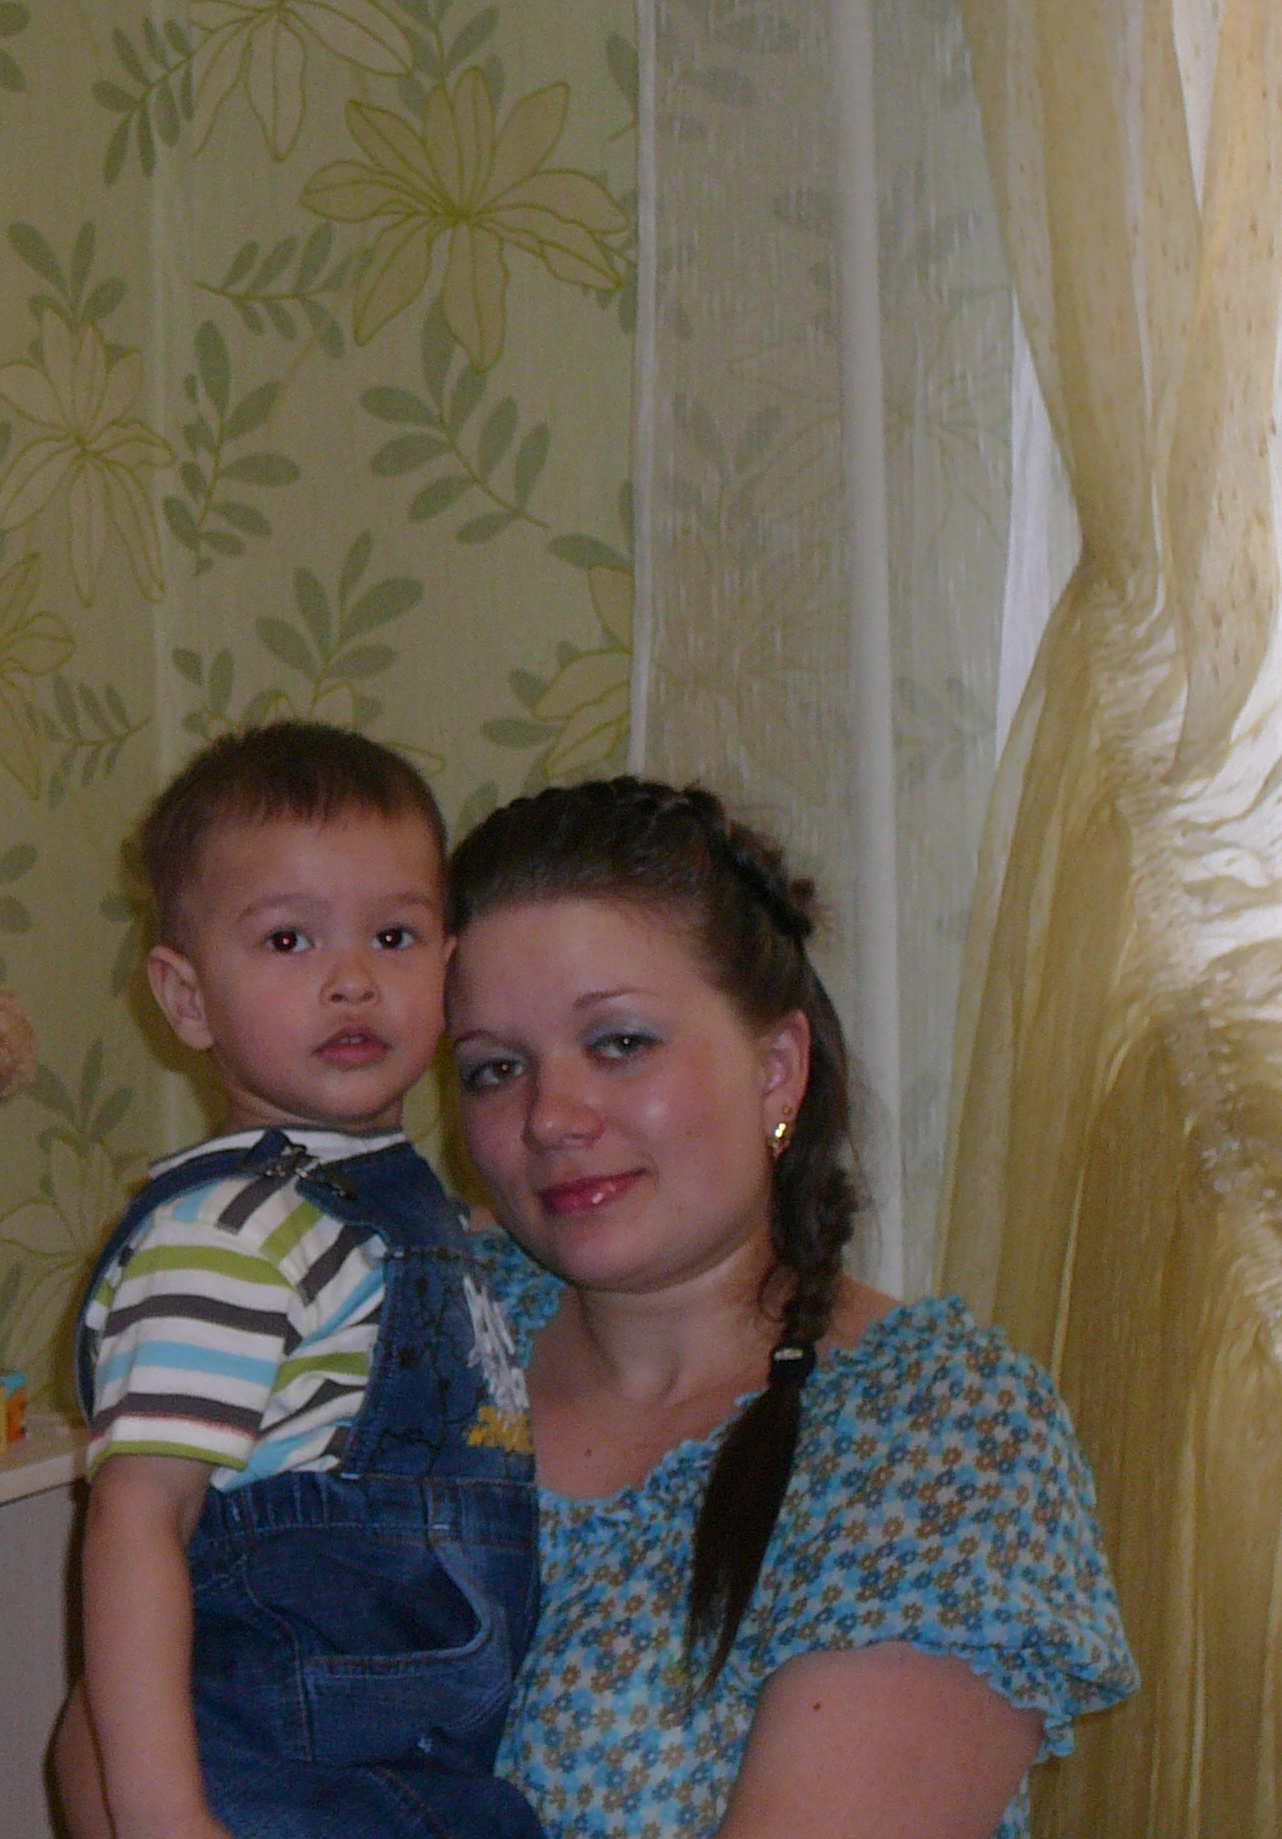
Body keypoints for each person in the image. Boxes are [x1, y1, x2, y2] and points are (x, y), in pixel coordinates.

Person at [441, 776, 1136, 1837]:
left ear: (776, 1070)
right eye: (495, 1068)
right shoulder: (424, 1335)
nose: (551, 1117)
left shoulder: (937, 1429)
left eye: (620, 1043)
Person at [56, 720, 544, 1839]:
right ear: (186, 1000)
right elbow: (137, 1521)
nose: (352, 980)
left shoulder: (403, 1213)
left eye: (393, 935)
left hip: (417, 1769)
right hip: (269, 1776)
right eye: (288, 940)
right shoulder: (225, 1235)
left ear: (449, 965)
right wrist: (164, 1817)